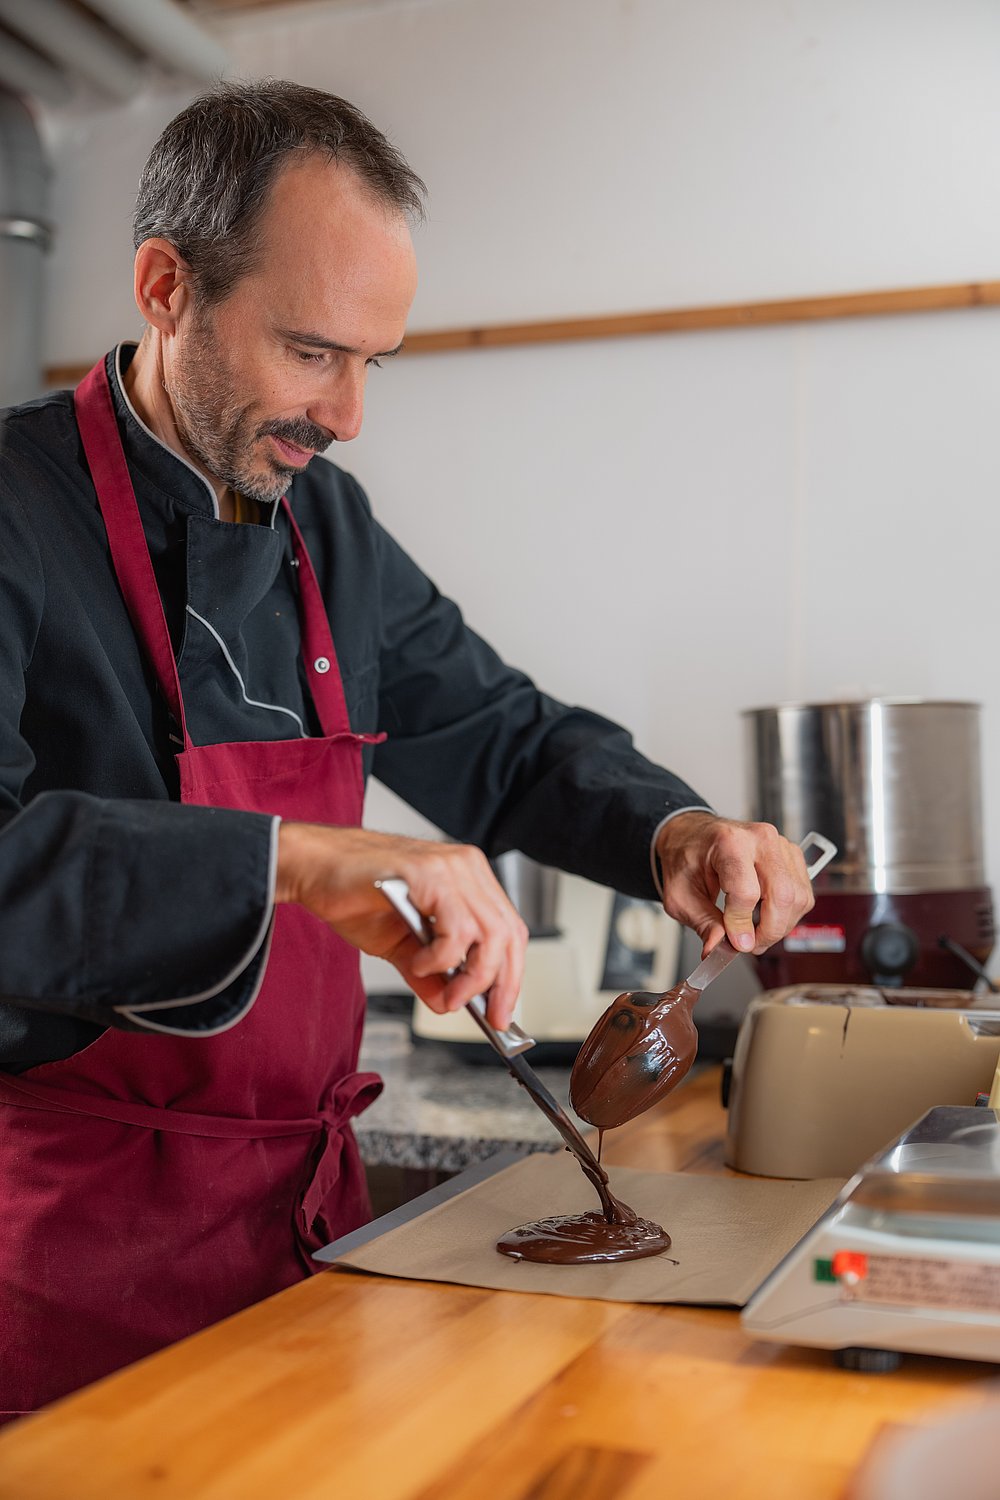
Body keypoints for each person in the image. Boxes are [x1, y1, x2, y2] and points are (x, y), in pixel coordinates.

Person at [0, 80, 813, 1416]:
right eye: (314, 350)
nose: (350, 414)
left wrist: (670, 830)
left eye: (376, 361)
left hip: (298, 1234)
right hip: (66, 1258)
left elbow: (504, 740)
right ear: (164, 287)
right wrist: (294, 859)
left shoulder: (333, 530)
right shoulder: (16, 508)